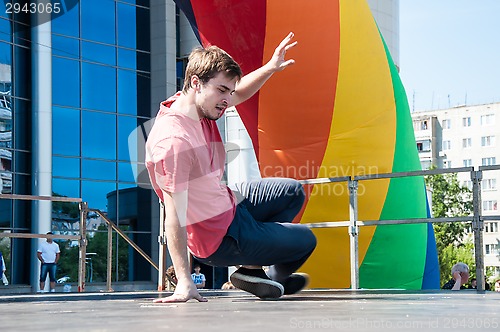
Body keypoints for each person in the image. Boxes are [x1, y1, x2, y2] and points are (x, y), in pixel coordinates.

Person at [146, 32, 317, 303]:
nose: (227, 100)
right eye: (222, 91)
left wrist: (271, 67)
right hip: (218, 236)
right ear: (196, 83)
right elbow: (174, 216)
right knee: (306, 241)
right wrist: (184, 281)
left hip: (228, 201)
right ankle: (273, 278)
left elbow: (240, 91)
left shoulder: (196, 103)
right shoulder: (174, 142)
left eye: (229, 91)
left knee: (292, 191)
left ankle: (253, 272)